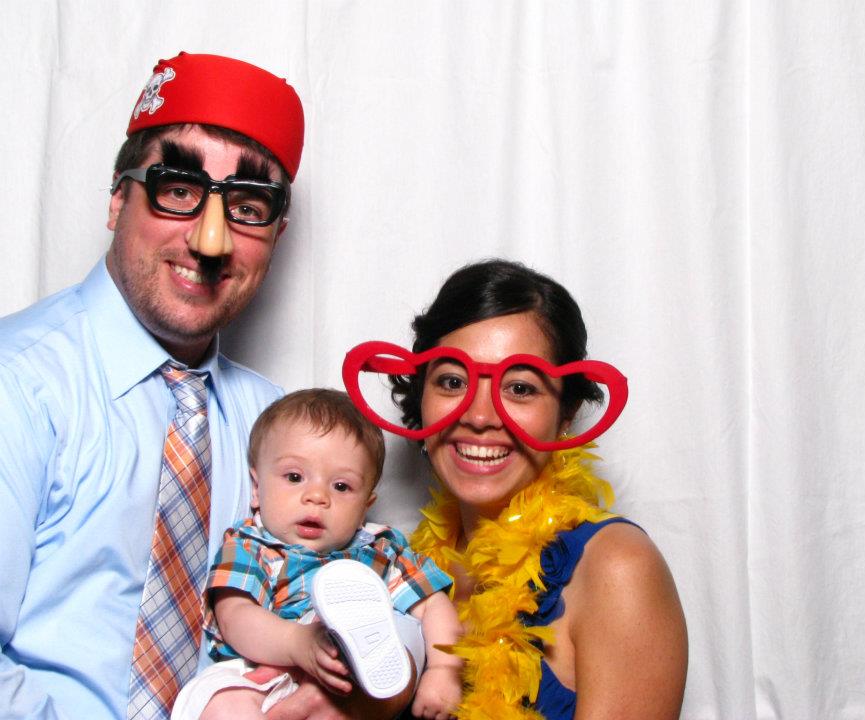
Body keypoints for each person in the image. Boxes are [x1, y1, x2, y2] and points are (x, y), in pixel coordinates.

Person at [0, 52, 306, 719]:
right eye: (178, 190)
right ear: (118, 199)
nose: (211, 240)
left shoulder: (272, 422)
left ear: (276, 235)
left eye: (247, 207)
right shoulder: (16, 386)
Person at [342, 259, 689, 719]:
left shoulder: (617, 568)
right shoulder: (408, 566)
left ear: (566, 414)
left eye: (521, 389)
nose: (480, 416)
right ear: (421, 397)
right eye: (452, 382)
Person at [171, 389, 462, 720]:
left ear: (365, 505)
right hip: (260, 671)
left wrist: (444, 670)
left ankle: (349, 643)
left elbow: (433, 605)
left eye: (341, 486)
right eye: (294, 477)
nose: (317, 496)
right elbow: (234, 616)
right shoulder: (250, 546)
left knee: (364, 678)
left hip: (345, 680)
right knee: (223, 703)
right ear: (256, 488)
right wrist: (296, 643)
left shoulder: (379, 551)